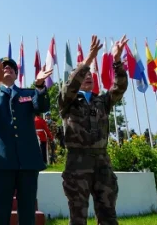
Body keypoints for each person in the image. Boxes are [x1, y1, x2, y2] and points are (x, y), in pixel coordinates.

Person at [59, 35, 128, 225]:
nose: (88, 76)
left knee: (108, 213)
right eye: (84, 74)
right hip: (77, 162)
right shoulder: (68, 100)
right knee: (78, 215)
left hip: (102, 161)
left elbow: (120, 88)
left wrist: (116, 61)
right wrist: (88, 59)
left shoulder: (102, 101)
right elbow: (70, 85)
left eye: (91, 74)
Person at [0, 57, 53, 225]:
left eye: (12, 67)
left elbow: (42, 107)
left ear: (16, 74)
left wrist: (40, 85)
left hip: (28, 162)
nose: (8, 68)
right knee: (1, 212)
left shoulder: (27, 93)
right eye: (4, 67)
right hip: (1, 162)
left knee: (27, 212)